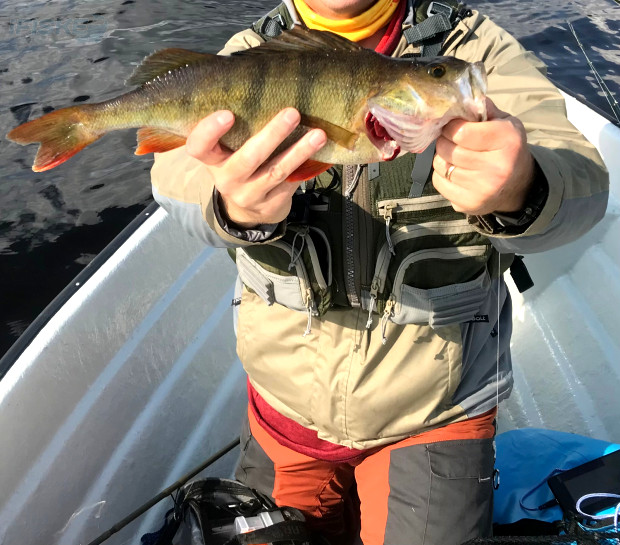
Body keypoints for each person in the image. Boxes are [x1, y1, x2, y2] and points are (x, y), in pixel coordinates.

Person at [150, 1, 609, 543]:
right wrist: (230, 206)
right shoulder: (251, 55)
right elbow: (172, 175)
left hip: (436, 411)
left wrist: (523, 185)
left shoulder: (473, 49)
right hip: (283, 407)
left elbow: (582, 179)